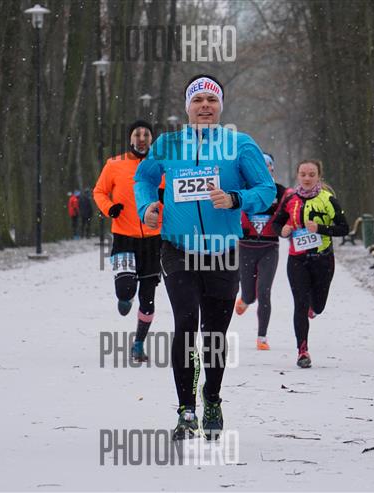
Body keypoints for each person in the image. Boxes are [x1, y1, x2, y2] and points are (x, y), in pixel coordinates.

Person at [135, 74, 275, 440]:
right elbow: (143, 179)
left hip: (222, 252)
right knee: (185, 322)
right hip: (177, 250)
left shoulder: (240, 145)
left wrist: (235, 199)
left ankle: (211, 397)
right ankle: (186, 410)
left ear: (220, 107)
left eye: (211, 100)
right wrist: (147, 206)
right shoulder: (168, 145)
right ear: (188, 107)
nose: (205, 106)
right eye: (197, 100)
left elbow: (266, 189)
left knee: (214, 333)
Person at [94, 120, 163, 362]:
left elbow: (172, 195)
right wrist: (110, 208)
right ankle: (126, 295)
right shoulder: (115, 164)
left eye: (146, 135)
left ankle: (138, 344)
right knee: (125, 292)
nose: (142, 139)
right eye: (137, 134)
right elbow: (99, 191)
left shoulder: (160, 166)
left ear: (152, 139)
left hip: (154, 240)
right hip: (124, 237)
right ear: (130, 138)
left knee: (148, 297)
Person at [271, 159, 349, 368]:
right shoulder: (290, 199)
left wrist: (321, 229)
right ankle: (302, 351)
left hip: (323, 260)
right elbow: (276, 223)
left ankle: (314, 308)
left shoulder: (328, 200)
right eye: (303, 174)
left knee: (319, 306)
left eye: (311, 175)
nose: (307, 178)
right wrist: (282, 231)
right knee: (300, 304)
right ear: (298, 175)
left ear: (319, 177)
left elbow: (344, 228)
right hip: (297, 260)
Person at [235, 153, 286, 350]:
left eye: (268, 165)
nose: (264, 169)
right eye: (260, 165)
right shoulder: (244, 189)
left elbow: (292, 210)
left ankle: (262, 337)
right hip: (246, 247)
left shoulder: (280, 191)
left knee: (264, 291)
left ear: (272, 168)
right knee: (250, 295)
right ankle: (245, 299)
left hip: (269, 248)